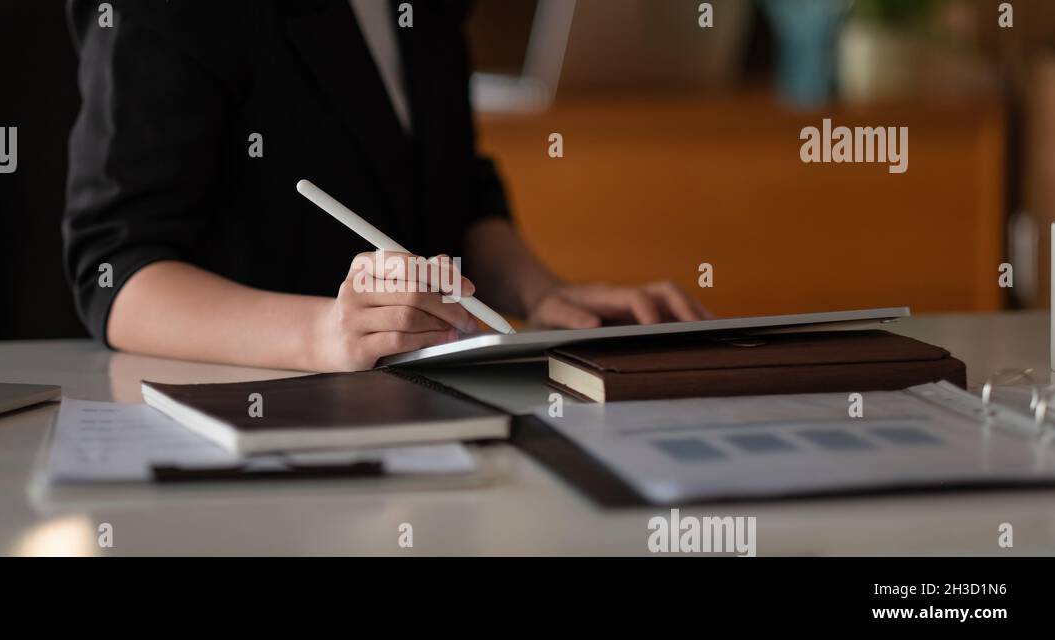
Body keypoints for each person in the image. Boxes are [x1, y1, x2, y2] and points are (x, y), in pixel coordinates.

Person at [63, 0, 708, 372]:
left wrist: (547, 295)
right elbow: (117, 274)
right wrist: (323, 333)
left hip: (415, 403)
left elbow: (454, 192)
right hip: (240, 424)